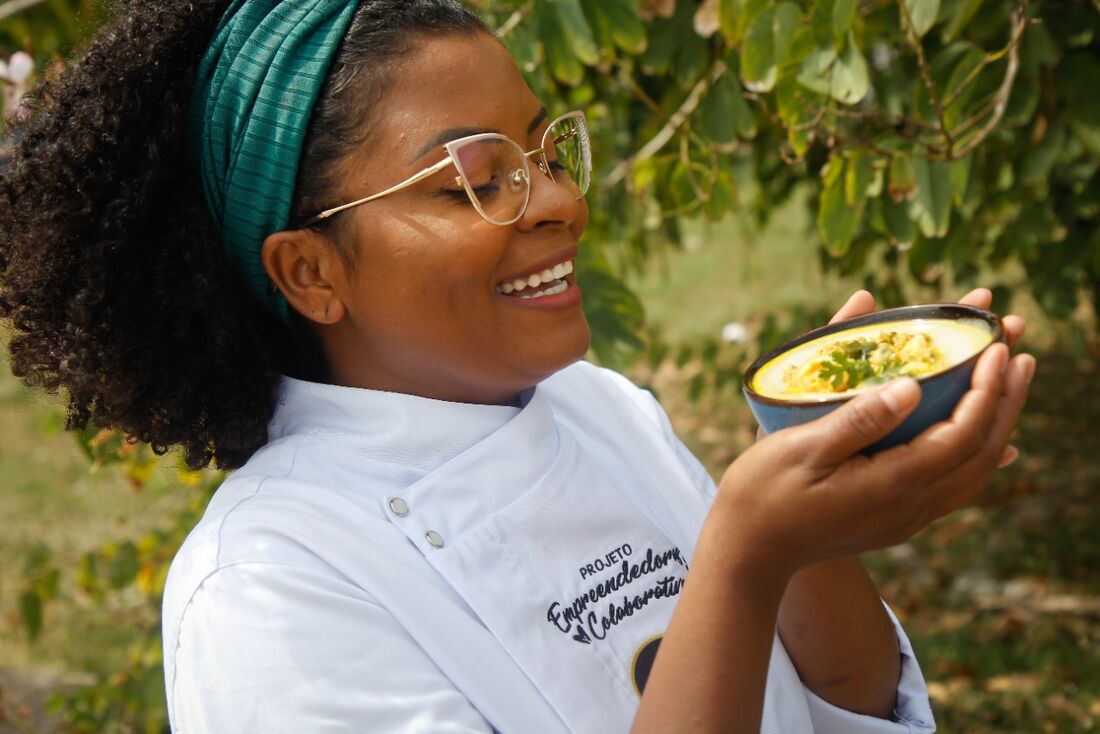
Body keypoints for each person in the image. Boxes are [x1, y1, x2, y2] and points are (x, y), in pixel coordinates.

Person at [0, 0, 1033, 732]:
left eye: (543, 152)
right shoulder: (269, 592)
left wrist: (815, 511)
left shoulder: (597, 408)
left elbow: (846, 705)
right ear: (311, 270)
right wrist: (745, 555)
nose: (558, 202)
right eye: (475, 180)